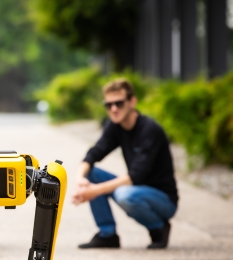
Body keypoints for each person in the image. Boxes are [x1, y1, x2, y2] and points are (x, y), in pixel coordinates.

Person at [72, 79, 178, 249]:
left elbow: (136, 176)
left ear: (132, 102)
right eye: (109, 105)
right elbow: (94, 153)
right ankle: (108, 235)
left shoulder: (150, 130)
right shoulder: (115, 126)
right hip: (135, 188)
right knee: (91, 173)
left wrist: (93, 191)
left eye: (119, 103)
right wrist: (80, 181)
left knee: (125, 195)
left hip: (163, 199)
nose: (114, 109)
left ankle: (158, 227)